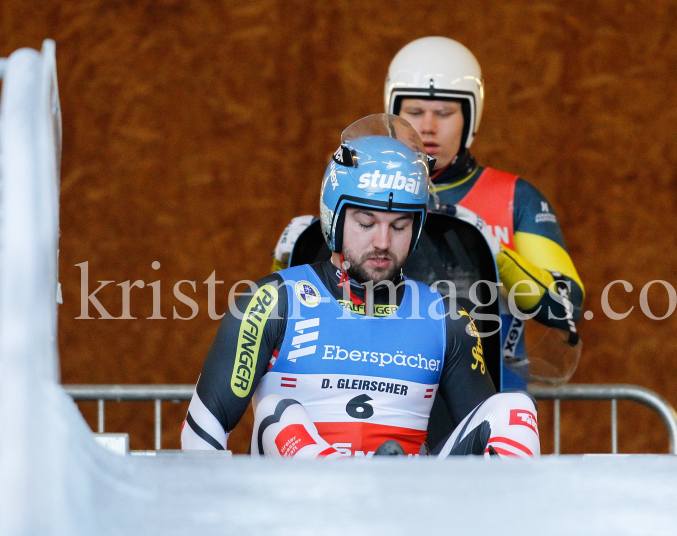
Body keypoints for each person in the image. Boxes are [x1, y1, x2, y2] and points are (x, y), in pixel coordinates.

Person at [183, 115, 540, 458]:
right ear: (333, 218)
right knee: (278, 412)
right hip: (299, 508)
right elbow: (200, 435)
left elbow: (479, 437)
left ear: (416, 230)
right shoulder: (272, 302)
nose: (382, 241)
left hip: (408, 502)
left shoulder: (446, 318)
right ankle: (340, 481)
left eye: (399, 226)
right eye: (366, 222)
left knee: (515, 409)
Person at [273, 37, 585, 390]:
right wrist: (287, 260)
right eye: (415, 113)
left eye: (445, 113)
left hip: (490, 398)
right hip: (378, 393)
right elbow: (300, 310)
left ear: (471, 116)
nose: (428, 127)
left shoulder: (517, 197)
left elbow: (566, 306)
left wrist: (498, 255)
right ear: (393, 112)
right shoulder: (357, 184)